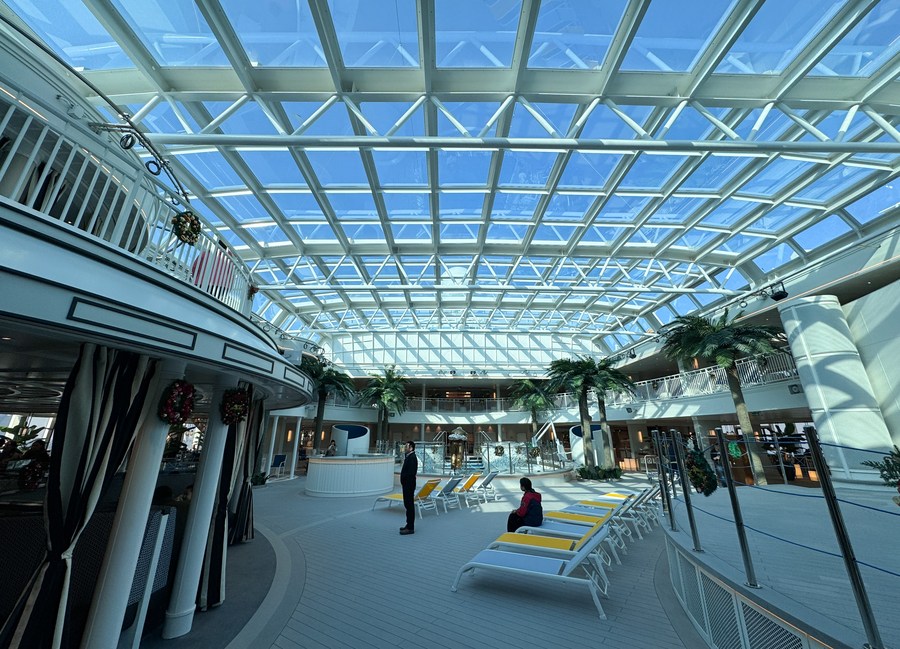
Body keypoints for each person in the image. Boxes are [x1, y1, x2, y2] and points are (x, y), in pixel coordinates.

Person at [399, 440, 418, 535]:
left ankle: (410, 527)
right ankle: (408, 524)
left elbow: (411, 473)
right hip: (407, 485)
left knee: (409, 505)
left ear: (411, 448)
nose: (405, 448)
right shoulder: (409, 456)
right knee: (407, 505)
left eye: (406, 446)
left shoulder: (412, 458)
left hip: (409, 485)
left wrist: (406, 482)